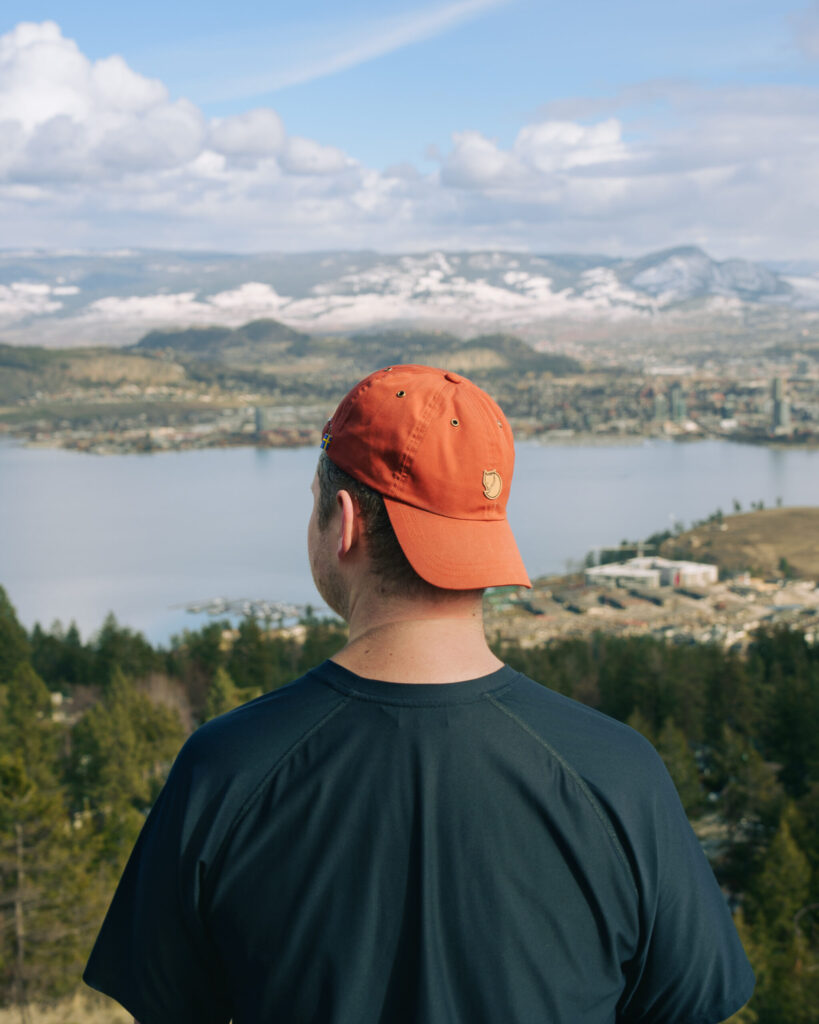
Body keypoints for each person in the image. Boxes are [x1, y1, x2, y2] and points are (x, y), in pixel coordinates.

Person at [84, 364, 754, 1024]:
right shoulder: (617, 773)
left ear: (340, 521)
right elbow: (686, 1004)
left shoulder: (225, 769)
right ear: (487, 533)